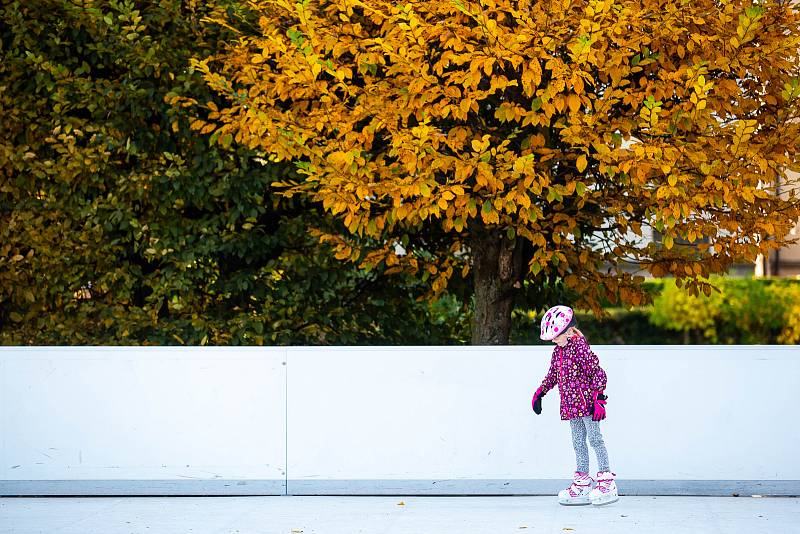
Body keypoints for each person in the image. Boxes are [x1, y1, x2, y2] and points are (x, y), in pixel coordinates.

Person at [530, 304, 619, 506]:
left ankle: (606, 480)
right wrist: (540, 392)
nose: (553, 340)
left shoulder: (579, 347)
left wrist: (598, 398)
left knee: (595, 439)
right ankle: (583, 482)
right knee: (578, 443)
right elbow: (553, 375)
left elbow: (597, 372)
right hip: (571, 407)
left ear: (569, 330)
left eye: (556, 335)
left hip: (587, 404)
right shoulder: (557, 352)